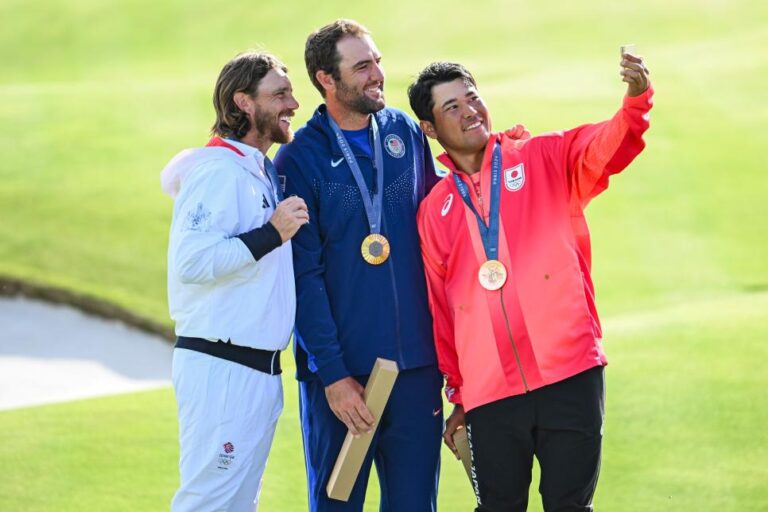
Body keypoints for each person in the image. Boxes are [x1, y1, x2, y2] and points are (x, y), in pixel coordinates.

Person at [408, 52, 653, 512]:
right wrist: (458, 394)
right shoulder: (434, 210)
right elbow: (441, 310)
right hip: (489, 394)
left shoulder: (543, 157)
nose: (470, 112)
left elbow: (607, 146)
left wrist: (635, 101)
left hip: (570, 372)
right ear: (429, 127)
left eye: (472, 98)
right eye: (452, 108)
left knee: (570, 506)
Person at [273, 19, 442, 512]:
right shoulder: (299, 159)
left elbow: (438, 231)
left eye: (378, 62)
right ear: (327, 79)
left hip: (415, 369)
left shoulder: (406, 132)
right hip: (344, 380)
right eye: (363, 66)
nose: (378, 75)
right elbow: (302, 276)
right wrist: (333, 375)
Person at [160, 51, 307, 512]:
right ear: (244, 102)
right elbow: (192, 260)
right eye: (279, 94)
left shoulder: (254, 167)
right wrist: (273, 232)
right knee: (209, 503)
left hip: (254, 370)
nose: (293, 104)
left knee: (238, 504)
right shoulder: (218, 171)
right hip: (223, 367)